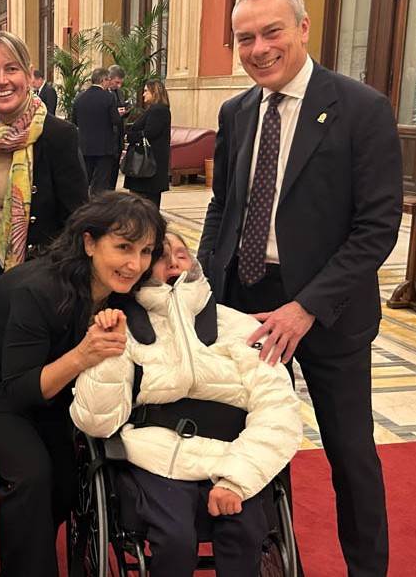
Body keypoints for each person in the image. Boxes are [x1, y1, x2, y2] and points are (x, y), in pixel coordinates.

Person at [198, 0, 400, 576]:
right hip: (248, 302)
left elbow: (377, 227)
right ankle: (264, 554)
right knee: (253, 438)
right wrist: (208, 285)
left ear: (303, 28)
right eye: (245, 38)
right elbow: (223, 207)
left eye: (272, 32)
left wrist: (306, 306)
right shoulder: (236, 112)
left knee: (350, 453)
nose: (259, 48)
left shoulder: (361, 108)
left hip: (329, 310)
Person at [0, 191, 163, 577]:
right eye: (124, 247)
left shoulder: (123, 286)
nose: (134, 264)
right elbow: (19, 391)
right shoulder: (40, 289)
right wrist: (84, 354)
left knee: (66, 483)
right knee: (32, 475)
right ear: (89, 242)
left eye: (146, 251)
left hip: (47, 376)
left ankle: (22, 511)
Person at [70, 231, 301, 577]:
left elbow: (279, 410)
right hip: (155, 456)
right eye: (161, 254)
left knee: (244, 531)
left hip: (230, 452)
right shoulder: (124, 326)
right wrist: (108, 348)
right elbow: (97, 422)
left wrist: (236, 480)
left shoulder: (237, 325)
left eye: (182, 253)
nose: (175, 261)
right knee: (175, 539)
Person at [0, 31, 89, 306]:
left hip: (38, 274)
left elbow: (77, 217)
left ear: (28, 76)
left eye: (11, 69)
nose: (2, 80)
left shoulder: (58, 134)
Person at [74, 68, 124, 195]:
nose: (109, 83)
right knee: (101, 183)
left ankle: (85, 206)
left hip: (85, 146)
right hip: (104, 147)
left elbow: (74, 121)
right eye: (108, 80)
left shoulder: (79, 98)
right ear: (103, 80)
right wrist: (120, 114)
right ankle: (99, 208)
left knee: (86, 180)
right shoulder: (108, 97)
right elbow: (115, 120)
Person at [123, 80, 173, 207]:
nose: (143, 94)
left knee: (145, 204)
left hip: (148, 164)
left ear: (154, 92)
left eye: (146, 91)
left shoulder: (158, 110)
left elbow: (150, 133)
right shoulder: (155, 109)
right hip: (147, 164)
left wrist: (129, 137)